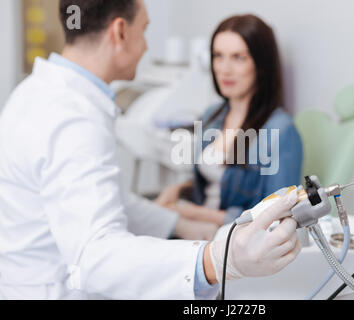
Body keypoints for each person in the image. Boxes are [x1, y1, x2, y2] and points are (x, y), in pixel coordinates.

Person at [0, 0, 302, 300]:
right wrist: (213, 260)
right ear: (120, 31)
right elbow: (96, 254)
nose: (146, 46)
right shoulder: (72, 115)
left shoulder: (39, 93)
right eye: (144, 30)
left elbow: (103, 199)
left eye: (238, 57)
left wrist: (180, 221)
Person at [157, 15, 303, 227]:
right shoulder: (211, 116)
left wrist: (193, 213)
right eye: (218, 56)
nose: (224, 69)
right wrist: (179, 190)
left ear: (261, 65)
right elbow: (214, 184)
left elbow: (278, 217)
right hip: (198, 230)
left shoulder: (281, 131)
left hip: (233, 242)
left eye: (238, 58)